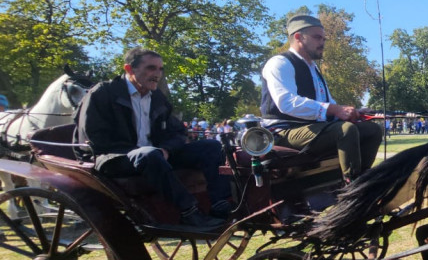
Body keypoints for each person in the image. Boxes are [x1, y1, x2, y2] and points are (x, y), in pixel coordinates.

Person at [74, 47, 231, 229]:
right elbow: (94, 138)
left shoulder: (156, 97)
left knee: (212, 146)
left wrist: (166, 149)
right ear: (129, 69)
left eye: (160, 69)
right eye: (151, 68)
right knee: (148, 154)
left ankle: (220, 205)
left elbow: (178, 132)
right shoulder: (103, 93)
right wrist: (143, 151)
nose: (157, 74)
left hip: (154, 156)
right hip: (112, 158)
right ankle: (190, 212)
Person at [260, 15, 383, 183]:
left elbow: (327, 103)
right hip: (283, 132)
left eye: (324, 38)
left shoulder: (313, 69)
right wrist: (334, 110)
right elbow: (286, 103)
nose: (322, 42)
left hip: (313, 128)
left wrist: (351, 112)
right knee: (345, 130)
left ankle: (364, 177)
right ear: (298, 37)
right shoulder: (280, 63)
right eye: (317, 37)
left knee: (372, 130)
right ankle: (352, 184)